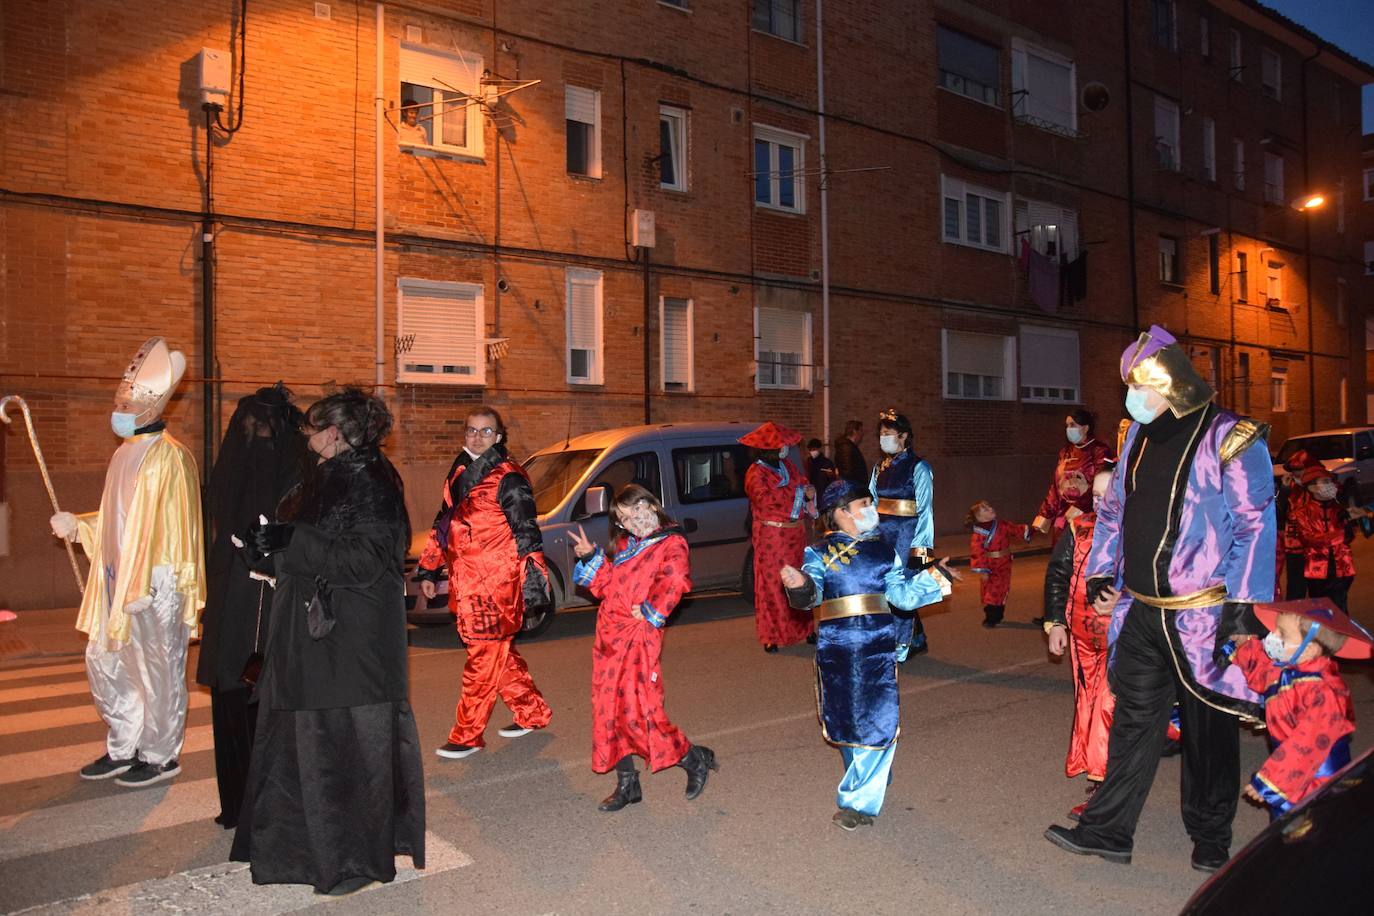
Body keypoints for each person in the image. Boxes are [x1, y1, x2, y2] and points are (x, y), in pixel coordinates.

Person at [1044, 325, 1275, 874]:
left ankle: (1211, 835)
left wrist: (1242, 608)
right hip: (1143, 609)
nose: (1131, 398)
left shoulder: (1232, 437)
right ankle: (1107, 830)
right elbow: (1116, 512)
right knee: (1134, 724)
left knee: (1208, 729)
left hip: (1203, 614)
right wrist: (1103, 572)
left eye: (1139, 387)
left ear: (1169, 384)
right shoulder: (1138, 439)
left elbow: (1254, 524)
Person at [230, 388, 425, 894]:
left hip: (350, 647)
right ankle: (299, 852)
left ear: (333, 433)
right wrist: (265, 550)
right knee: (304, 744)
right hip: (311, 642)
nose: (306, 437)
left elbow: (367, 561)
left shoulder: (373, 480)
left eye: (312, 428)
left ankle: (351, 860)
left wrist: (293, 540)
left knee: (342, 752)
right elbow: (304, 547)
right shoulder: (323, 474)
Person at [49, 337, 206, 787]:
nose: (117, 409)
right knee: (105, 659)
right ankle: (125, 744)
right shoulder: (123, 454)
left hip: (156, 590)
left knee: (159, 670)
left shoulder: (171, 457)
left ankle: (160, 754)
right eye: (117, 400)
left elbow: (176, 527)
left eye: (125, 402)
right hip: (118, 585)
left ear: (150, 408)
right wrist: (79, 526)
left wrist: (154, 584)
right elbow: (122, 520)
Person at [780, 480, 956, 831]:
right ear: (842, 512)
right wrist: (799, 586)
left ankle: (857, 804)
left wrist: (937, 577)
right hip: (836, 649)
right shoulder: (819, 552)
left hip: (876, 647)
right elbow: (812, 597)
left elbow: (903, 598)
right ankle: (869, 772)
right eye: (863, 503)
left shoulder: (884, 552)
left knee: (877, 721)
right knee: (844, 721)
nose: (870, 508)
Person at [568, 484, 718, 812]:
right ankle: (627, 784)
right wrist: (592, 557)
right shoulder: (626, 542)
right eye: (622, 518)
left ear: (649, 505)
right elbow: (609, 585)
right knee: (609, 710)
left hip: (639, 637)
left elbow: (676, 580)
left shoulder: (671, 543)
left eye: (634, 512)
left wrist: (652, 609)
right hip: (609, 638)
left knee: (643, 712)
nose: (630, 522)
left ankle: (693, 759)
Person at [195, 383, 305, 828]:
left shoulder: (249, 466)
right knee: (250, 692)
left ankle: (246, 804)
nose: (254, 434)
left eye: (260, 427)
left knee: (242, 692)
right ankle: (259, 803)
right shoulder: (290, 465)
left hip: (246, 593)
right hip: (252, 593)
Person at [416, 406, 553, 758]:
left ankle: (466, 735)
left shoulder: (509, 477)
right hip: (466, 582)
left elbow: (527, 533)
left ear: (500, 437)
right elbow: (443, 522)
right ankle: (532, 712)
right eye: (472, 431)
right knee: (496, 654)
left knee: (482, 657)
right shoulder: (460, 469)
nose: (477, 437)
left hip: (495, 586)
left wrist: (534, 582)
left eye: (486, 432)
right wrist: (430, 569)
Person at [1224, 598, 1370, 819]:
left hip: (1315, 776)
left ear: (1309, 649)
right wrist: (1244, 646)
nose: (1274, 637)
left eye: (1282, 634)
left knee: (1308, 825)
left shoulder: (1324, 692)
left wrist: (1272, 781)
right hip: (1295, 766)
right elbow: (1263, 671)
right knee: (1288, 822)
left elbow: (1307, 741)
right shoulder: (1292, 669)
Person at [1043, 466, 1119, 819]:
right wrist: (1056, 622)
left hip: (1122, 638)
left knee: (1107, 704)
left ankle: (1106, 787)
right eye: (1098, 496)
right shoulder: (1079, 526)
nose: (1103, 503)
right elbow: (1058, 574)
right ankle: (1099, 773)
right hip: (1082, 637)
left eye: (1110, 495)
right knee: (1088, 705)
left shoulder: (1140, 531)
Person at [740, 421, 816, 652]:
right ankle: (772, 635)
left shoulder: (787, 466)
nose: (785, 448)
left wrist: (808, 490)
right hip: (772, 536)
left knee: (801, 581)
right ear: (770, 448)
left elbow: (802, 483)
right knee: (774, 585)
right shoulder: (756, 473)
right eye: (781, 445)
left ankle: (806, 629)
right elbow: (767, 501)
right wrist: (798, 494)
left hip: (795, 535)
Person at [870, 409, 934, 660]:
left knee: (902, 586)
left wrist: (923, 550)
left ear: (904, 436)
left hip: (907, 534)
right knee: (883, 588)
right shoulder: (879, 467)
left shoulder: (919, 467)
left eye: (888, 433)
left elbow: (926, 510)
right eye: (881, 434)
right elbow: (871, 502)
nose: (883, 438)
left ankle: (900, 644)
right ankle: (911, 637)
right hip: (883, 534)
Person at [1032, 408, 1116, 542]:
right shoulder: (1065, 452)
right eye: (1067, 425)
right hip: (1063, 517)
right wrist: (1044, 515)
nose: (1068, 429)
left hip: (1088, 517)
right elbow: (1056, 487)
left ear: (1086, 428)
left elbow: (1103, 484)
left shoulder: (1100, 451)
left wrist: (1080, 507)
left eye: (1072, 425)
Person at [1290, 464, 1357, 613]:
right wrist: (1340, 535)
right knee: (1321, 609)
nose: (1331, 485)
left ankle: (1341, 635)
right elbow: (1309, 540)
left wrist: (1352, 523)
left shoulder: (1339, 509)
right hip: (1317, 570)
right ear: (1312, 488)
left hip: (1342, 567)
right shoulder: (1301, 513)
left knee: (1340, 608)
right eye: (1325, 482)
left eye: (1331, 482)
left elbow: (1350, 535)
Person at [966, 499, 1034, 628]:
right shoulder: (978, 534)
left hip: (1004, 563)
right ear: (979, 517)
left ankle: (996, 614)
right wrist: (983, 570)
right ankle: (991, 615)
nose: (991, 509)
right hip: (990, 565)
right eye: (986, 509)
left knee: (1001, 589)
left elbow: (1015, 529)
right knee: (991, 591)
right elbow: (977, 553)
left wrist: (1030, 530)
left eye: (989, 507)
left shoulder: (1001, 525)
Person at [832, 419, 868, 486]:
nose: (862, 434)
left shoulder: (850, 447)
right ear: (855, 431)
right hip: (852, 490)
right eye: (861, 431)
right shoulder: (846, 448)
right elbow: (847, 473)